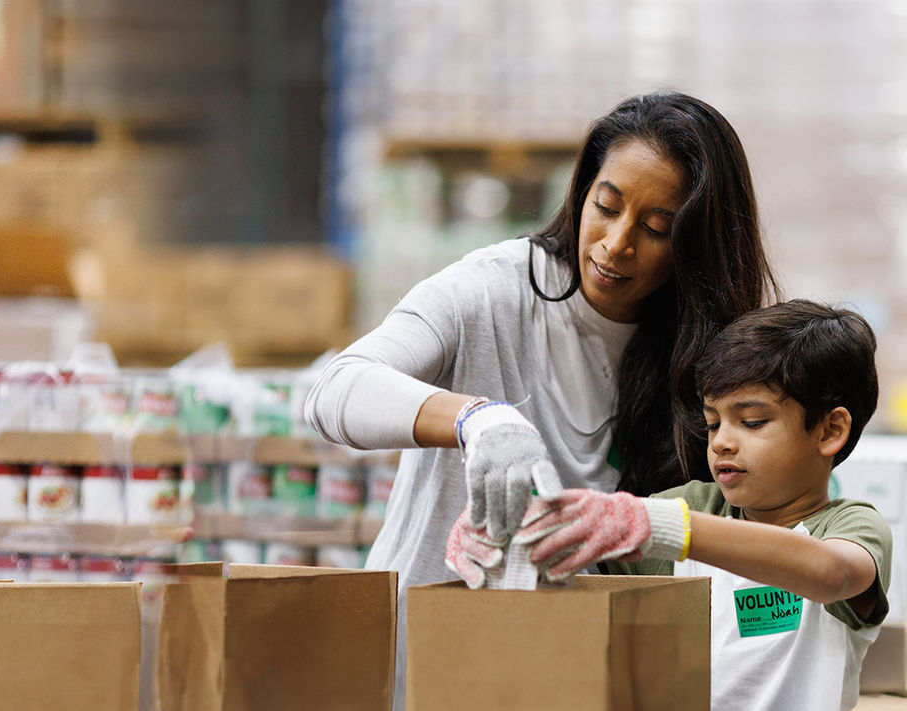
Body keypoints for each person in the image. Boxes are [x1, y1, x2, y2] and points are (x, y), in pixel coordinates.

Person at [303, 91, 778, 704]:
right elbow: (335, 390)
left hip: (573, 676)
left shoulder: (704, 365)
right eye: (605, 207)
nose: (615, 243)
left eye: (656, 229)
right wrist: (479, 419)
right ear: (581, 194)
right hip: (421, 671)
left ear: (696, 246)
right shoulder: (492, 291)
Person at [518, 299, 888, 711]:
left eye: (751, 422)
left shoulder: (850, 526)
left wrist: (662, 527)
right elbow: (576, 564)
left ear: (830, 430)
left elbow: (831, 573)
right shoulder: (693, 505)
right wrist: (522, 533)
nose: (721, 441)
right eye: (713, 422)